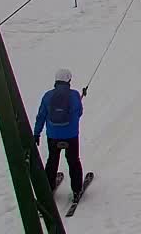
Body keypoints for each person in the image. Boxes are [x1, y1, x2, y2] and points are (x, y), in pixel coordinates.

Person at [33, 69, 85, 200]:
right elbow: (79, 113)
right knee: (73, 161)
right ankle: (77, 190)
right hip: (71, 135)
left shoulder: (47, 96)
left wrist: (36, 133)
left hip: (53, 136)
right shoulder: (74, 95)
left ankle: (48, 188)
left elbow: (41, 116)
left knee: (52, 160)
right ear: (68, 80)